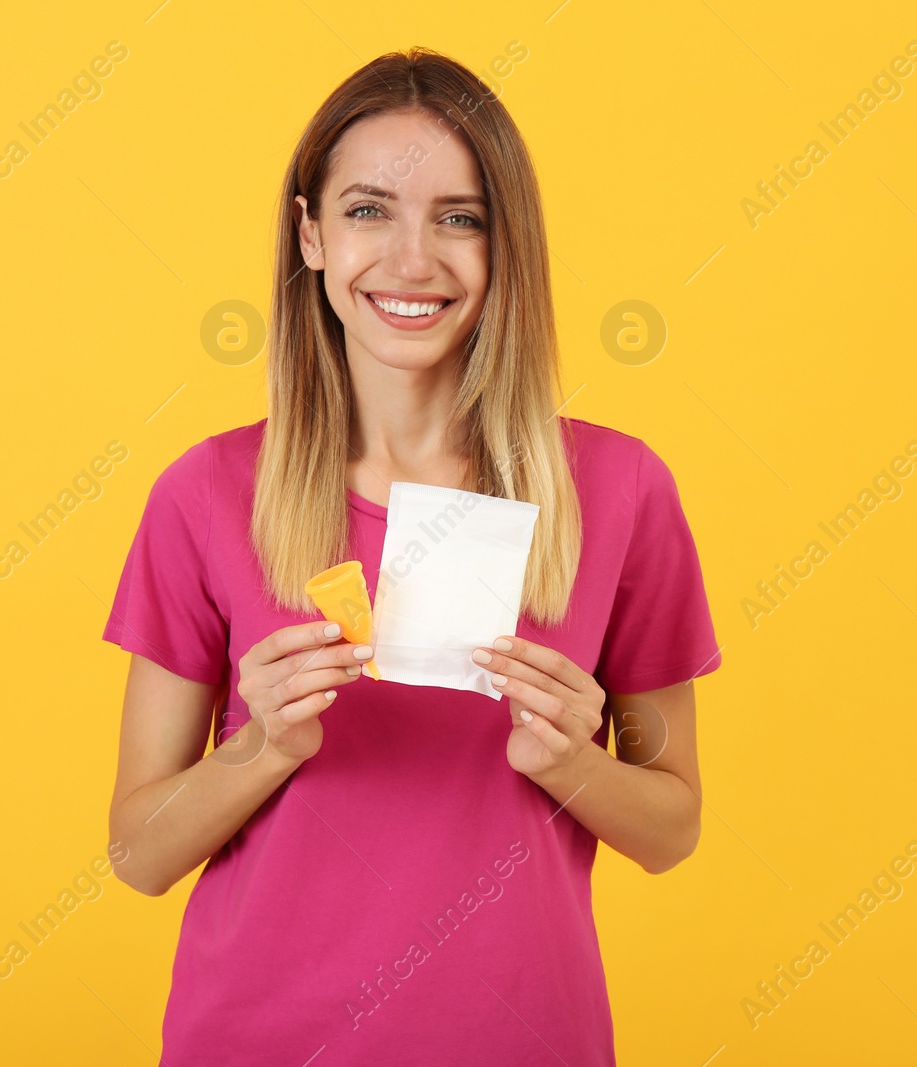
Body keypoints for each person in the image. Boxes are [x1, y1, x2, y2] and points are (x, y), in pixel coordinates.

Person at [102, 45, 722, 1066]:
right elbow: (137, 853)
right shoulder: (206, 493)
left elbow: (672, 826)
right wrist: (261, 747)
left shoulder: (617, 489)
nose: (412, 260)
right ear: (309, 234)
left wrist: (573, 762)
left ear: (504, 244)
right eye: (367, 210)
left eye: (459, 216)